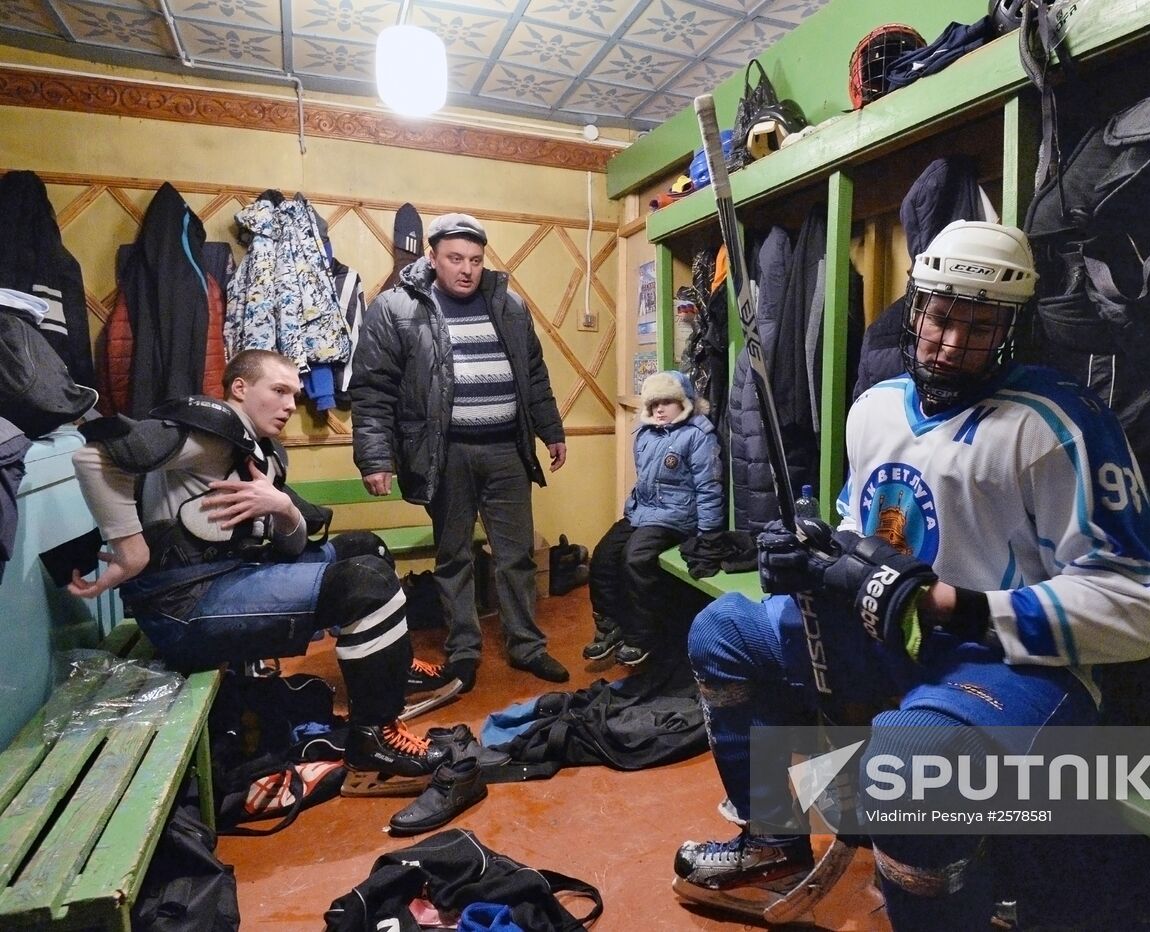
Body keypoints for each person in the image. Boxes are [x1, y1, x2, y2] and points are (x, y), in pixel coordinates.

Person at [670, 221, 1150, 927]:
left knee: (903, 766)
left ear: (1012, 327)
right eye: (940, 317)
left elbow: (1143, 604)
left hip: (1012, 667)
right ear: (916, 307)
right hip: (896, 644)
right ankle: (771, 838)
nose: (950, 342)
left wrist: (952, 605)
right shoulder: (877, 407)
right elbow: (865, 529)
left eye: (978, 326)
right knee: (723, 629)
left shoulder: (1063, 423)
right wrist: (810, 557)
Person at [68, 349, 459, 796]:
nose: (291, 405)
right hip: (183, 606)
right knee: (364, 584)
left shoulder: (261, 451)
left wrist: (282, 505)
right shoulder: (209, 435)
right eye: (278, 391)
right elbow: (95, 460)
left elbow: (292, 544)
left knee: (364, 547)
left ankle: (391, 668)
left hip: (231, 577)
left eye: (294, 394)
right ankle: (373, 740)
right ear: (239, 388)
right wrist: (130, 548)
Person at [351, 213, 570, 693]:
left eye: (474, 259)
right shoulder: (395, 308)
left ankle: (526, 646)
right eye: (455, 258)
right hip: (444, 455)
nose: (466, 269)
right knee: (454, 557)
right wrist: (375, 456)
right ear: (432, 257)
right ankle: (464, 650)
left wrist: (551, 429)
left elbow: (534, 374)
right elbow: (372, 388)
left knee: (516, 556)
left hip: (507, 451)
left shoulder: (509, 305)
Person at [584, 369, 723, 667]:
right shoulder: (645, 434)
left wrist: (708, 535)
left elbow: (709, 487)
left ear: (684, 402)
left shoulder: (698, 436)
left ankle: (642, 634)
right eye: (654, 403)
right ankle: (611, 625)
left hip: (675, 516)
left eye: (667, 402)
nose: (659, 409)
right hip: (641, 511)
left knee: (636, 558)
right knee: (604, 555)